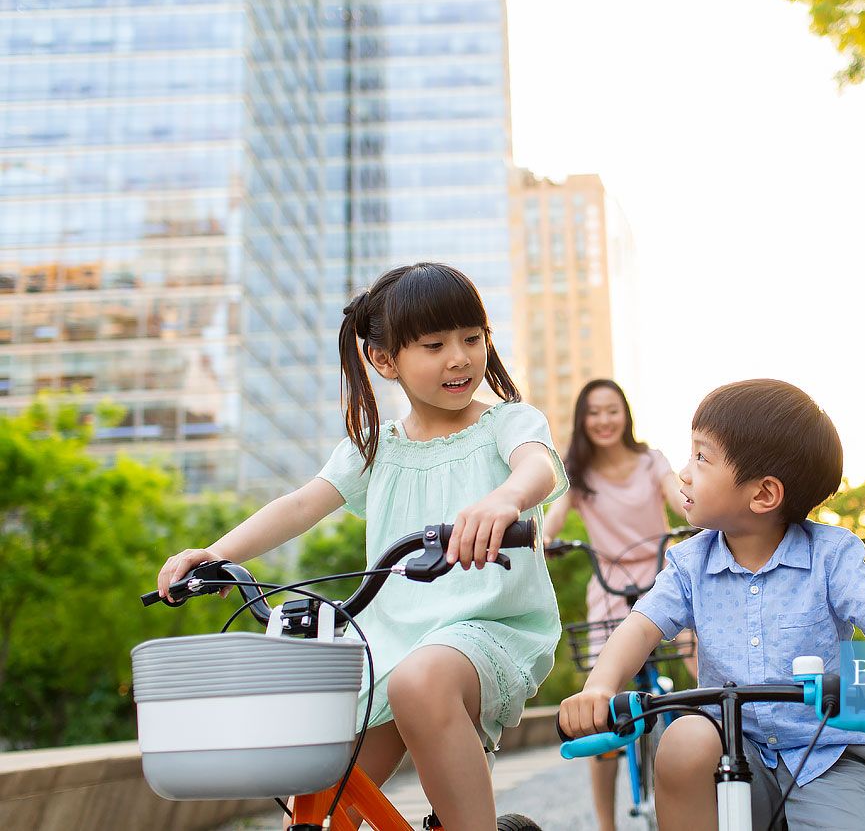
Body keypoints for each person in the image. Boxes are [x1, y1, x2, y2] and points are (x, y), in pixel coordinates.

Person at [156, 262, 567, 830]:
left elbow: (537, 468)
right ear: (384, 359)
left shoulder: (506, 423)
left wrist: (504, 500)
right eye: (434, 344)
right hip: (386, 637)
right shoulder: (374, 446)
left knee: (421, 682)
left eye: (472, 339)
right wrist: (216, 554)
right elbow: (303, 503)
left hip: (487, 625)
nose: (460, 357)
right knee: (322, 790)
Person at [560, 379, 865, 831]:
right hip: (733, 751)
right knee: (684, 736)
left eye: (701, 456)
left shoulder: (830, 557)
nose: (684, 472)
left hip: (826, 754)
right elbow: (640, 625)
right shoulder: (689, 562)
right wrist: (600, 686)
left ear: (763, 495)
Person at [542, 378, 690, 831]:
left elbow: (679, 501)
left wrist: (703, 515)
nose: (603, 420)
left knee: (702, 652)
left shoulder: (652, 461)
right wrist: (545, 540)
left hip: (666, 577)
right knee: (599, 707)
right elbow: (553, 519)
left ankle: (737, 737)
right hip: (610, 587)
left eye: (612, 410)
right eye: (593, 412)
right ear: (582, 421)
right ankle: (606, 824)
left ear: (625, 414)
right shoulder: (576, 471)